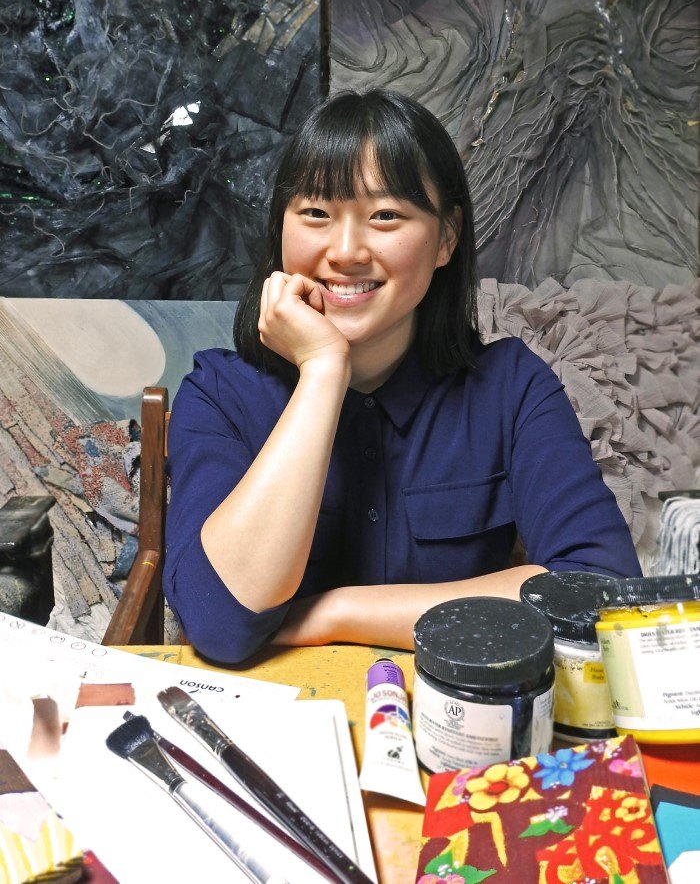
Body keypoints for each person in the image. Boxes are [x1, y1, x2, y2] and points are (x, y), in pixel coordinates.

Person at [163, 88, 642, 663]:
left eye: (385, 215)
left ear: (446, 237)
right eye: (316, 213)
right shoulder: (219, 396)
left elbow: (601, 595)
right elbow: (218, 623)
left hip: (460, 728)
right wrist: (322, 370)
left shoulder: (512, 387)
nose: (344, 252)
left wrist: (335, 613)